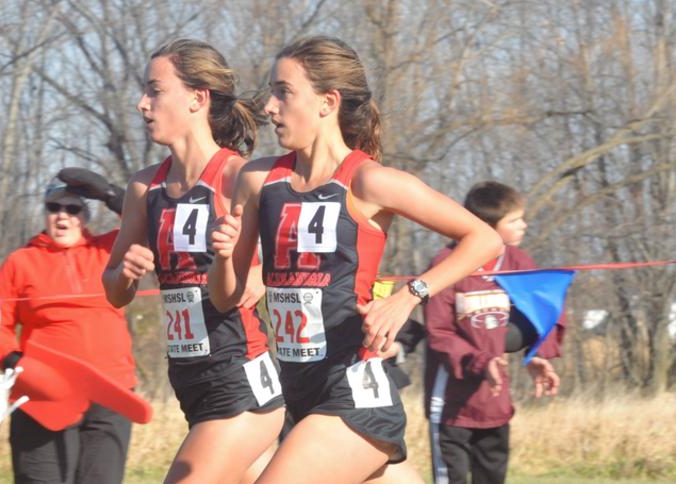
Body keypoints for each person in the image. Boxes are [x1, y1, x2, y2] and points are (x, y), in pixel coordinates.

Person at [208, 35, 503, 483]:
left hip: (354, 394)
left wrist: (409, 296)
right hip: (298, 391)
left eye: (284, 92)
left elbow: (484, 239)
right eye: (271, 92)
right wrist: (223, 257)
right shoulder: (258, 179)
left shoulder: (369, 181)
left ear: (327, 102)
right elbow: (225, 298)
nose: (269, 106)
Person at [103, 38, 285, 483]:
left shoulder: (238, 176)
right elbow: (113, 292)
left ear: (197, 99)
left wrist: (261, 275)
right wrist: (126, 272)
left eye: (155, 91)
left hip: (240, 376)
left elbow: (303, 257)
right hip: (190, 382)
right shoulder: (145, 188)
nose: (142, 103)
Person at [0, 169, 135, 484]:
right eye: (54, 207)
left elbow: (153, 224)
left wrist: (110, 194)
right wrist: (15, 363)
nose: (62, 216)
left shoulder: (108, 249)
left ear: (84, 216)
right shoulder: (21, 261)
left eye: (73, 209)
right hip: (45, 392)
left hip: (111, 389)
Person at [424, 180, 564, 484]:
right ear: (486, 226)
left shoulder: (519, 263)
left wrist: (538, 354)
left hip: (496, 403)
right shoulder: (446, 264)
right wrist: (481, 361)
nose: (524, 225)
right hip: (451, 405)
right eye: (514, 220)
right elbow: (439, 333)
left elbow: (544, 310)